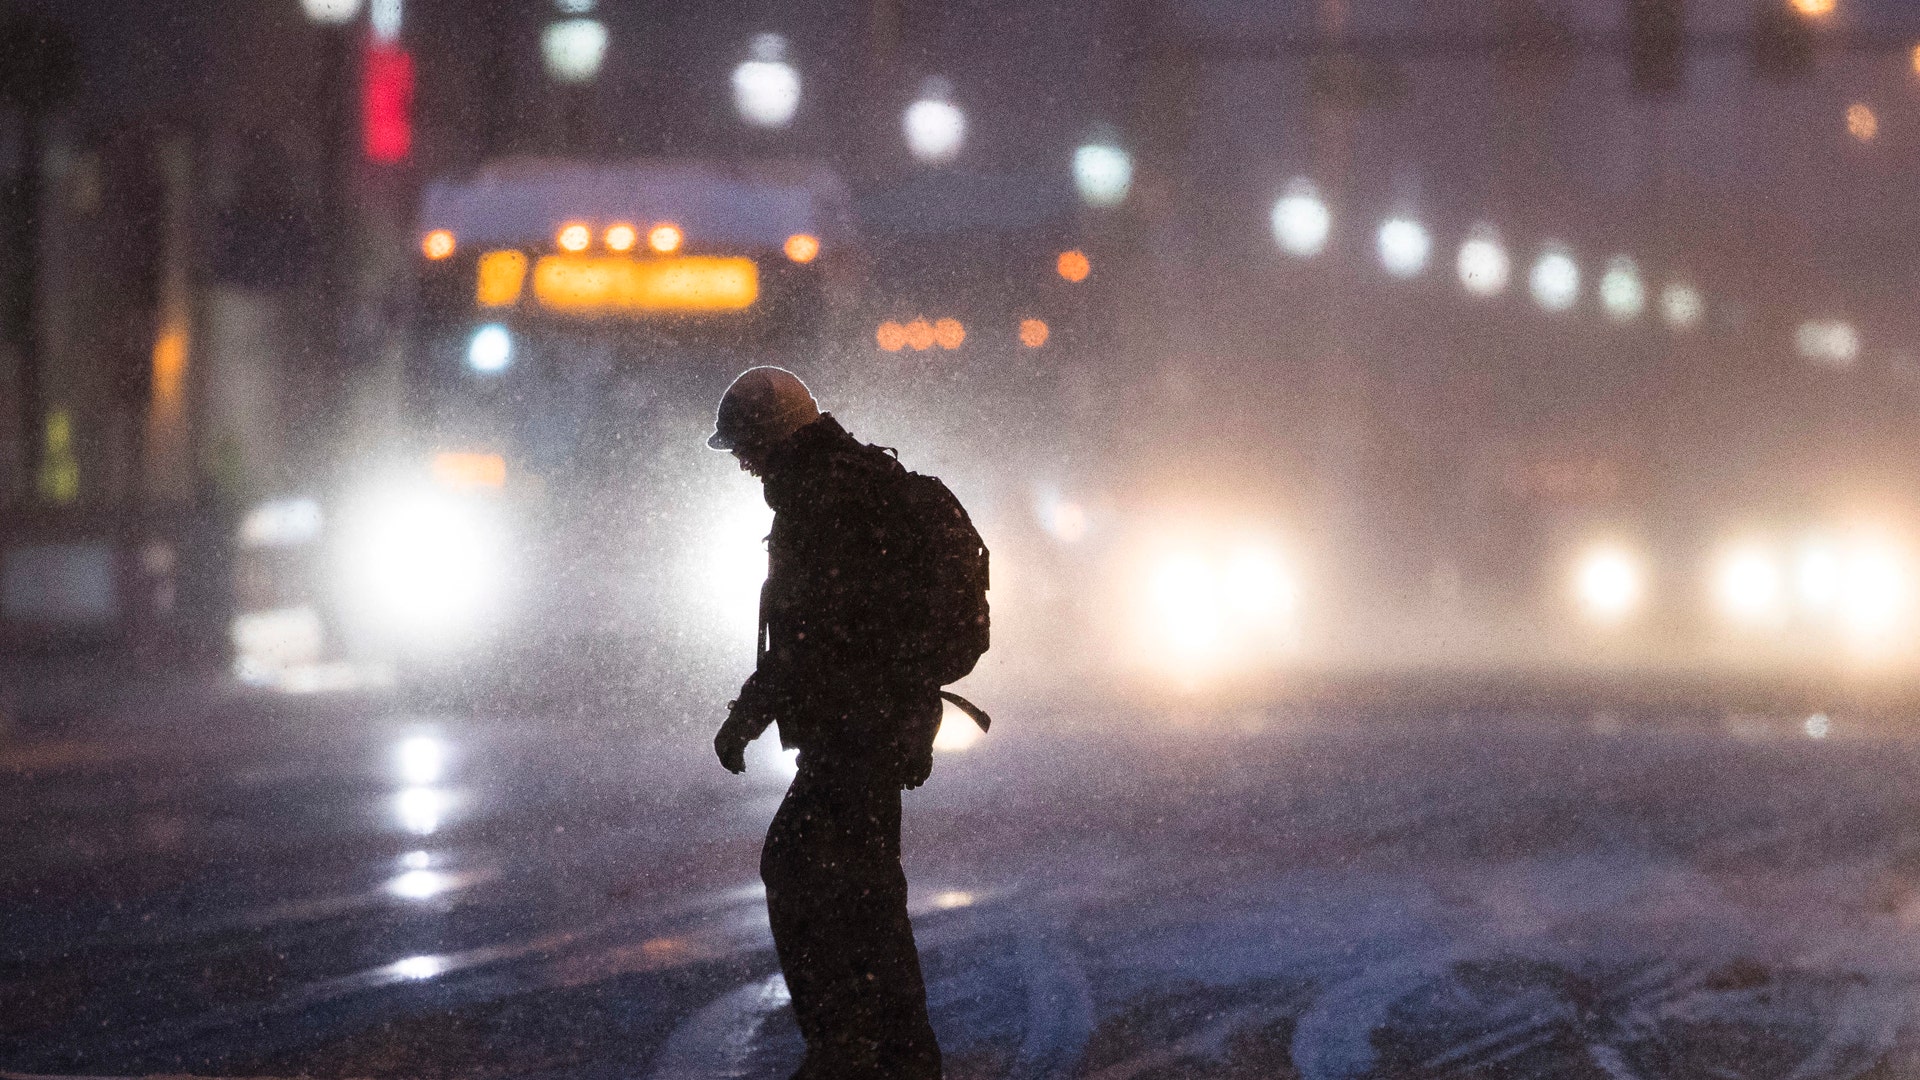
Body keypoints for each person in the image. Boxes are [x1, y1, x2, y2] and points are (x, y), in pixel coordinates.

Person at [709, 366, 965, 1080]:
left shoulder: (822, 499)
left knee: (809, 873)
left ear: (770, 437)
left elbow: (807, 637)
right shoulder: (850, 481)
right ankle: (894, 1054)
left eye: (743, 446)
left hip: (858, 726)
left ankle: (852, 1050)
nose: (740, 461)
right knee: (864, 890)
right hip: (878, 720)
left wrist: (747, 716)